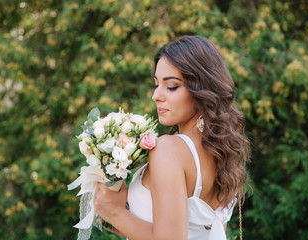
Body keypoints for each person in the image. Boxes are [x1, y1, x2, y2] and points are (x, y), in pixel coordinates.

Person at [94, 35, 250, 240]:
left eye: (172, 86)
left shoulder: (168, 149)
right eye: (156, 84)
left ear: (201, 90)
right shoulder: (222, 155)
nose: (156, 95)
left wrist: (115, 213)